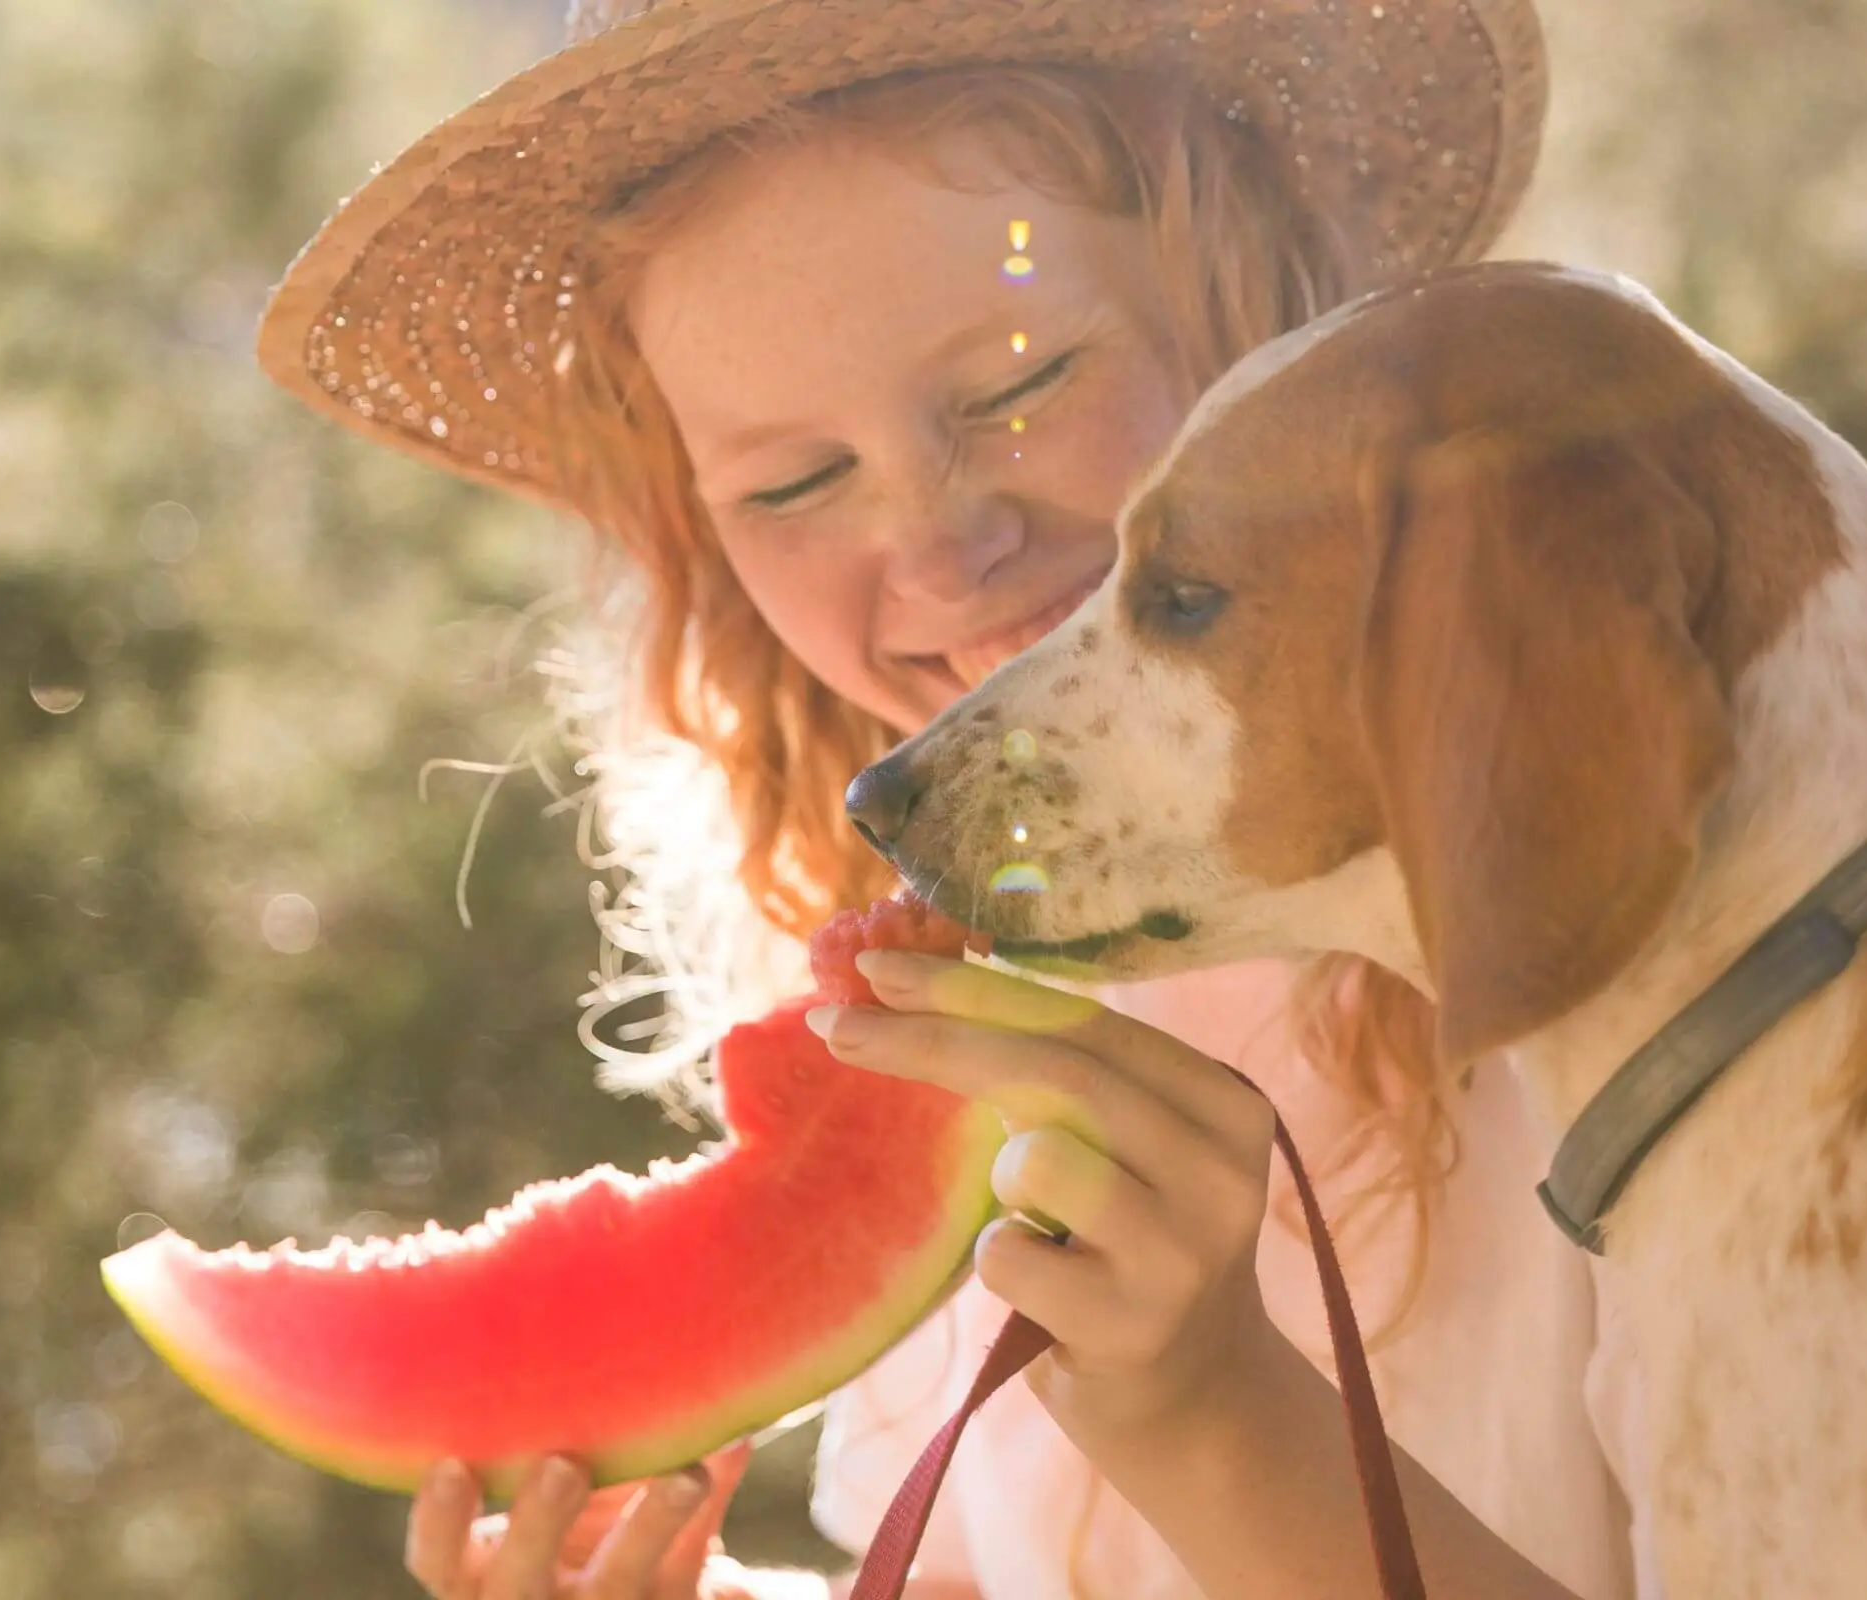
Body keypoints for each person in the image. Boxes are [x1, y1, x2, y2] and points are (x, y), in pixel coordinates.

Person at [253, 2, 1641, 1596]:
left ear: (1271, 326)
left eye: (1020, 383)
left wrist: (1217, 1422)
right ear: (697, 538)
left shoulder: (1623, 912)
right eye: (795, 481)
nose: (938, 550)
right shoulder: (918, 1008)